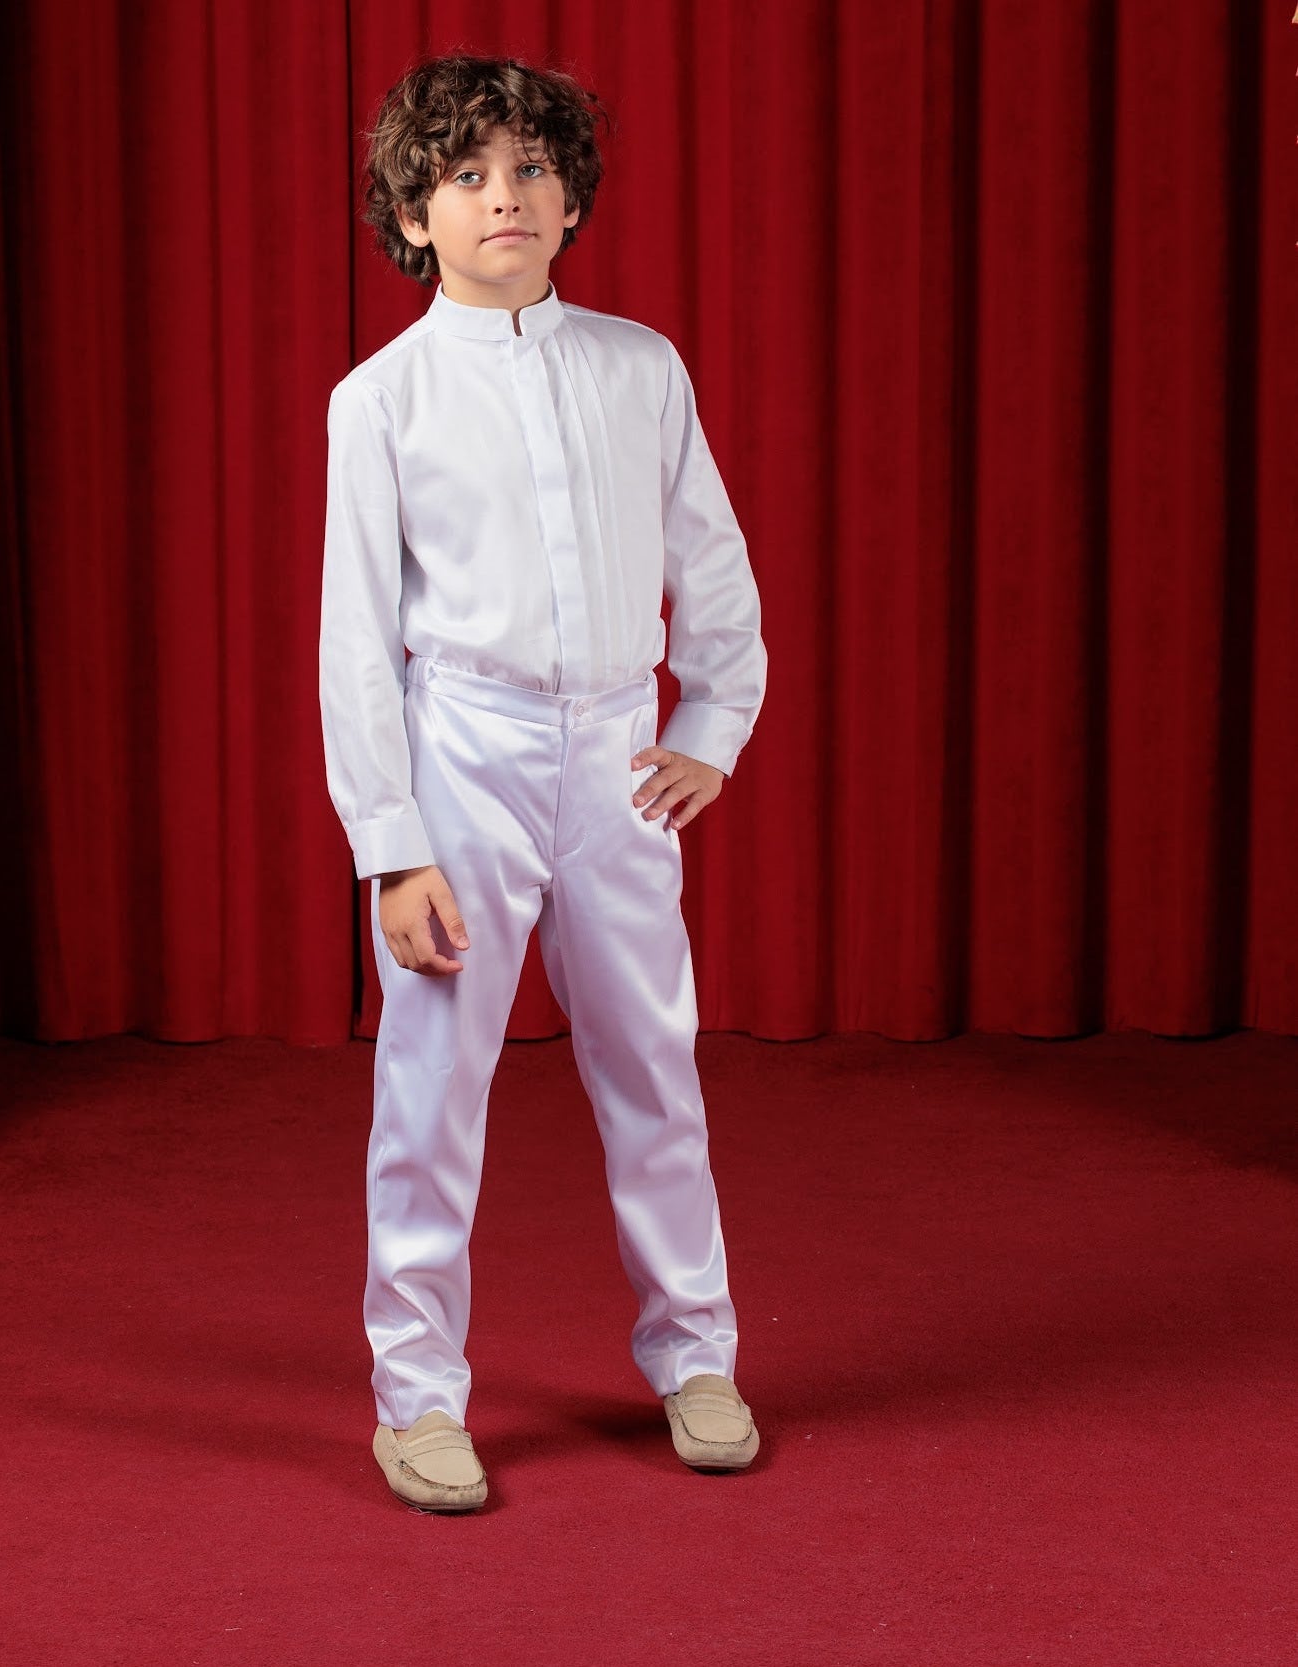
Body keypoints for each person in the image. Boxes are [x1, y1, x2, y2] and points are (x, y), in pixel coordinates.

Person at [318, 52, 767, 1513]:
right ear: (413, 210)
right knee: (435, 1081)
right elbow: (353, 642)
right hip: (465, 751)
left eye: (527, 170)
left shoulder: (640, 368)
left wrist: (712, 715)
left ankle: (696, 1350)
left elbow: (709, 558)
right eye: (465, 176)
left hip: (616, 752)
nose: (501, 197)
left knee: (651, 1059)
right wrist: (393, 843)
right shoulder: (379, 402)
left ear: (570, 195)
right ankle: (417, 1388)